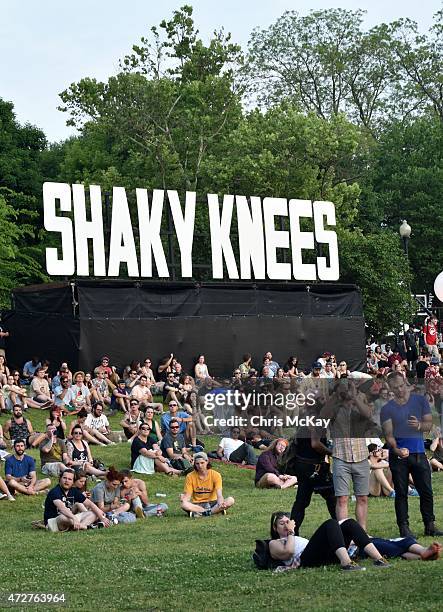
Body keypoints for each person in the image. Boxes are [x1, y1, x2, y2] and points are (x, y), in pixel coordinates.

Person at [382, 372, 443, 537]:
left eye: (401, 385)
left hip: (418, 453)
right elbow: (388, 436)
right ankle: (404, 527)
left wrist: (419, 426)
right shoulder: (387, 409)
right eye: (395, 388)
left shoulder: (420, 401)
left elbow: (429, 424)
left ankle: (430, 525)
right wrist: (396, 450)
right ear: (390, 388)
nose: (400, 390)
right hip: (398, 456)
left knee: (427, 491)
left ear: (406, 383)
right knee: (401, 493)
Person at [321, 380, 372, 530]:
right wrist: (336, 396)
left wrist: (355, 396)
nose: (347, 391)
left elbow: (368, 414)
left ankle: (361, 533)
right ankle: (345, 533)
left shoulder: (360, 403)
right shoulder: (335, 408)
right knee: (342, 499)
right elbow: (323, 415)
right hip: (340, 457)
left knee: (362, 498)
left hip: (361, 456)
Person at [268, 513, 389, 571]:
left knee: (349, 523)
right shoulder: (273, 543)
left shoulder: (294, 537)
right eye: (282, 523)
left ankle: (379, 559)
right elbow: (288, 552)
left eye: (287, 522)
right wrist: (290, 532)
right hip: (306, 560)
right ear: (275, 528)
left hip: (325, 555)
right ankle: (346, 563)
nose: (286, 525)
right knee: (330, 524)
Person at [287, 405, 336, 533]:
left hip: (302, 465)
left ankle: (293, 532)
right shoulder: (317, 420)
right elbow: (315, 443)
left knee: (301, 501)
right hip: (313, 467)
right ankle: (342, 529)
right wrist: (331, 452)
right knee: (332, 498)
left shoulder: (305, 417)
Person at [43, 468, 111, 532]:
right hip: (54, 522)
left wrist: (101, 517)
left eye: (70, 479)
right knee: (63, 517)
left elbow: (90, 504)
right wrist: (74, 518)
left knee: (94, 512)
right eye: (64, 478)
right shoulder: (55, 491)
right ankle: (87, 527)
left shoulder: (74, 491)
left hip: (71, 519)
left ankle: (79, 527)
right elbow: (62, 508)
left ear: (73, 482)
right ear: (60, 479)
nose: (66, 481)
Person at [180, 452, 235, 517]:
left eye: (202, 463)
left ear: (207, 462)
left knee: (230, 500)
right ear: (194, 464)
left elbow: (219, 494)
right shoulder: (190, 476)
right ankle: (212, 511)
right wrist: (184, 499)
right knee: (184, 504)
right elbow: (188, 496)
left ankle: (200, 513)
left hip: (213, 502)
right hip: (198, 504)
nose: (200, 466)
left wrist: (221, 503)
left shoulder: (216, 475)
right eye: (197, 464)